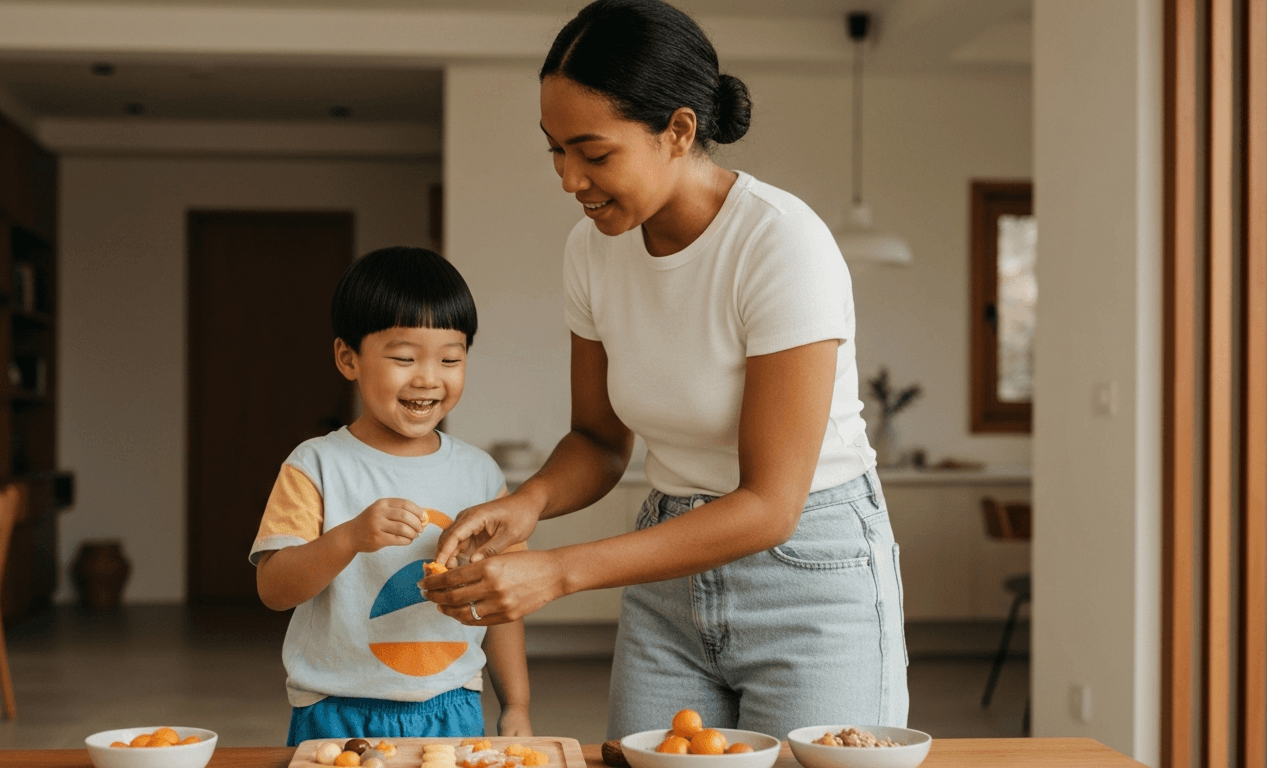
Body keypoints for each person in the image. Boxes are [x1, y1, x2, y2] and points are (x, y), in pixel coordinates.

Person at [420, 0, 908, 740]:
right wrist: (528, 506)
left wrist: (556, 572)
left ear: (678, 131)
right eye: (556, 150)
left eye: (594, 151)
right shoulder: (591, 252)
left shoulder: (780, 244)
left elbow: (771, 505)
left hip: (811, 567)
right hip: (669, 562)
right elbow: (596, 438)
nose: (569, 180)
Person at [251, 246, 532, 746]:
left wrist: (516, 705)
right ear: (348, 358)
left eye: (451, 358)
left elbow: (501, 602)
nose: (427, 378)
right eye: (404, 358)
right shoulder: (315, 465)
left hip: (453, 705)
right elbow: (274, 589)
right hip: (336, 709)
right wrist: (350, 537)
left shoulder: (481, 474)